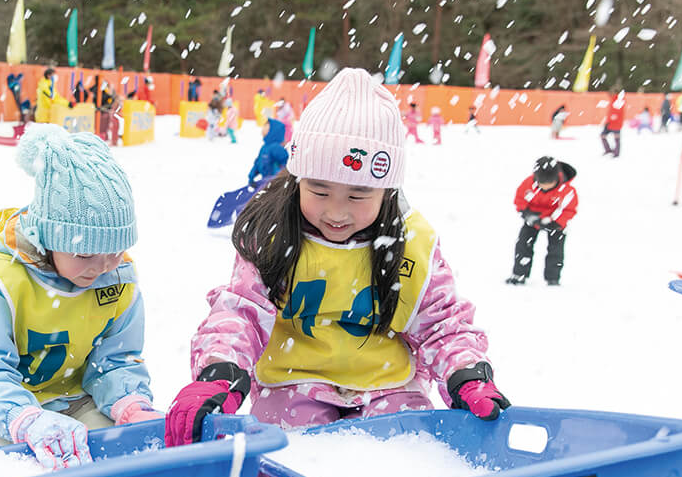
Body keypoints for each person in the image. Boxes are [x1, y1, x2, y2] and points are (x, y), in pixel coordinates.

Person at [163, 68, 510, 447]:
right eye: (320, 190)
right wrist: (220, 371)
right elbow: (241, 311)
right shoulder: (276, 234)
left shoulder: (412, 242)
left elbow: (442, 322)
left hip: (387, 383)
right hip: (293, 381)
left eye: (358, 195)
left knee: (409, 451)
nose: (337, 212)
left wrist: (466, 372)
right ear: (298, 178)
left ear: (387, 191)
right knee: (287, 457)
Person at [0, 125, 161, 469]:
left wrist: (129, 402)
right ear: (49, 236)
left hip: (78, 402)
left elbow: (116, 360)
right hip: (5, 414)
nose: (102, 267)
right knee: (9, 468)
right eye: (85, 255)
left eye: (115, 251)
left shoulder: (118, 278)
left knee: (124, 455)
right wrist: (24, 417)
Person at [506, 156, 579, 287]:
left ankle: (553, 278)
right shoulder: (528, 184)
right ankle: (519, 274)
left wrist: (556, 222)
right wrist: (527, 214)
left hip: (556, 223)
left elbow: (569, 209)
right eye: (541, 184)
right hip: (533, 219)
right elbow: (520, 200)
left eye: (548, 184)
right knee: (523, 245)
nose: (545, 187)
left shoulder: (567, 191)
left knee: (556, 250)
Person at [248, 118, 288, 186]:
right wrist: (251, 176)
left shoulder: (276, 148)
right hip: (266, 182)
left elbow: (285, 164)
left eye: (266, 126)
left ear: (273, 131)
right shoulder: (264, 147)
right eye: (264, 126)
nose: (263, 128)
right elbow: (258, 163)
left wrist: (277, 177)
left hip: (276, 184)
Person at [601, 92, 625, 158]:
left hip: (616, 123)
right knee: (603, 136)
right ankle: (608, 150)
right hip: (609, 123)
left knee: (617, 138)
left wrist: (613, 116)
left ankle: (616, 153)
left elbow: (617, 112)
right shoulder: (613, 100)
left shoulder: (619, 100)